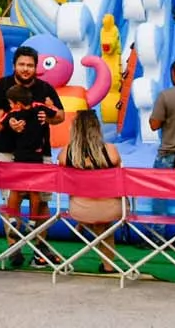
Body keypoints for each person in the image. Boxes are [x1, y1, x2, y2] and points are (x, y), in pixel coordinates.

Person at [0, 45, 64, 268]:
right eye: (22, 64)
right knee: (12, 199)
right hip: (8, 152)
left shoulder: (45, 88)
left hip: (40, 154)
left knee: (43, 201)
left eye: (30, 65)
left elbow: (60, 114)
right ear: (14, 65)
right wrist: (7, 120)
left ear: (36, 67)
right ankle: (14, 249)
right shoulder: (2, 86)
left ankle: (41, 249)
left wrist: (47, 118)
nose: (26, 69)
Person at [59, 109, 125, 273]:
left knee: (89, 205)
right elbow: (118, 184)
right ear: (97, 128)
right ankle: (109, 266)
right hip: (111, 209)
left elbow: (66, 185)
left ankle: (83, 224)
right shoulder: (111, 151)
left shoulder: (66, 153)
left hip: (80, 209)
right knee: (104, 224)